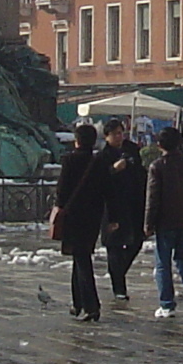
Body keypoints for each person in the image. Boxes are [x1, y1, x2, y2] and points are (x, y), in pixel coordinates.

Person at [143, 127, 183, 317]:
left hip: (166, 222)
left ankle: (167, 304)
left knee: (163, 263)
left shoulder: (157, 166)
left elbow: (153, 197)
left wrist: (148, 223)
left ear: (160, 145)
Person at [52, 124, 108, 320]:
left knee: (82, 260)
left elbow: (62, 189)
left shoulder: (70, 160)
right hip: (93, 216)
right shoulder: (98, 161)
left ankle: (92, 305)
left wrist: (58, 207)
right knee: (80, 257)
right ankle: (77, 302)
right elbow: (106, 189)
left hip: (74, 216)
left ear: (77, 140)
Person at [98, 120, 146, 303]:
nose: (119, 137)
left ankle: (118, 273)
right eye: (115, 134)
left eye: (121, 133)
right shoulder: (103, 156)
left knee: (136, 242)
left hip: (133, 205)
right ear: (107, 136)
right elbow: (99, 181)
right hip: (112, 208)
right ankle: (119, 287)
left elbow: (140, 174)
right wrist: (113, 170)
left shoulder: (131, 150)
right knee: (114, 247)